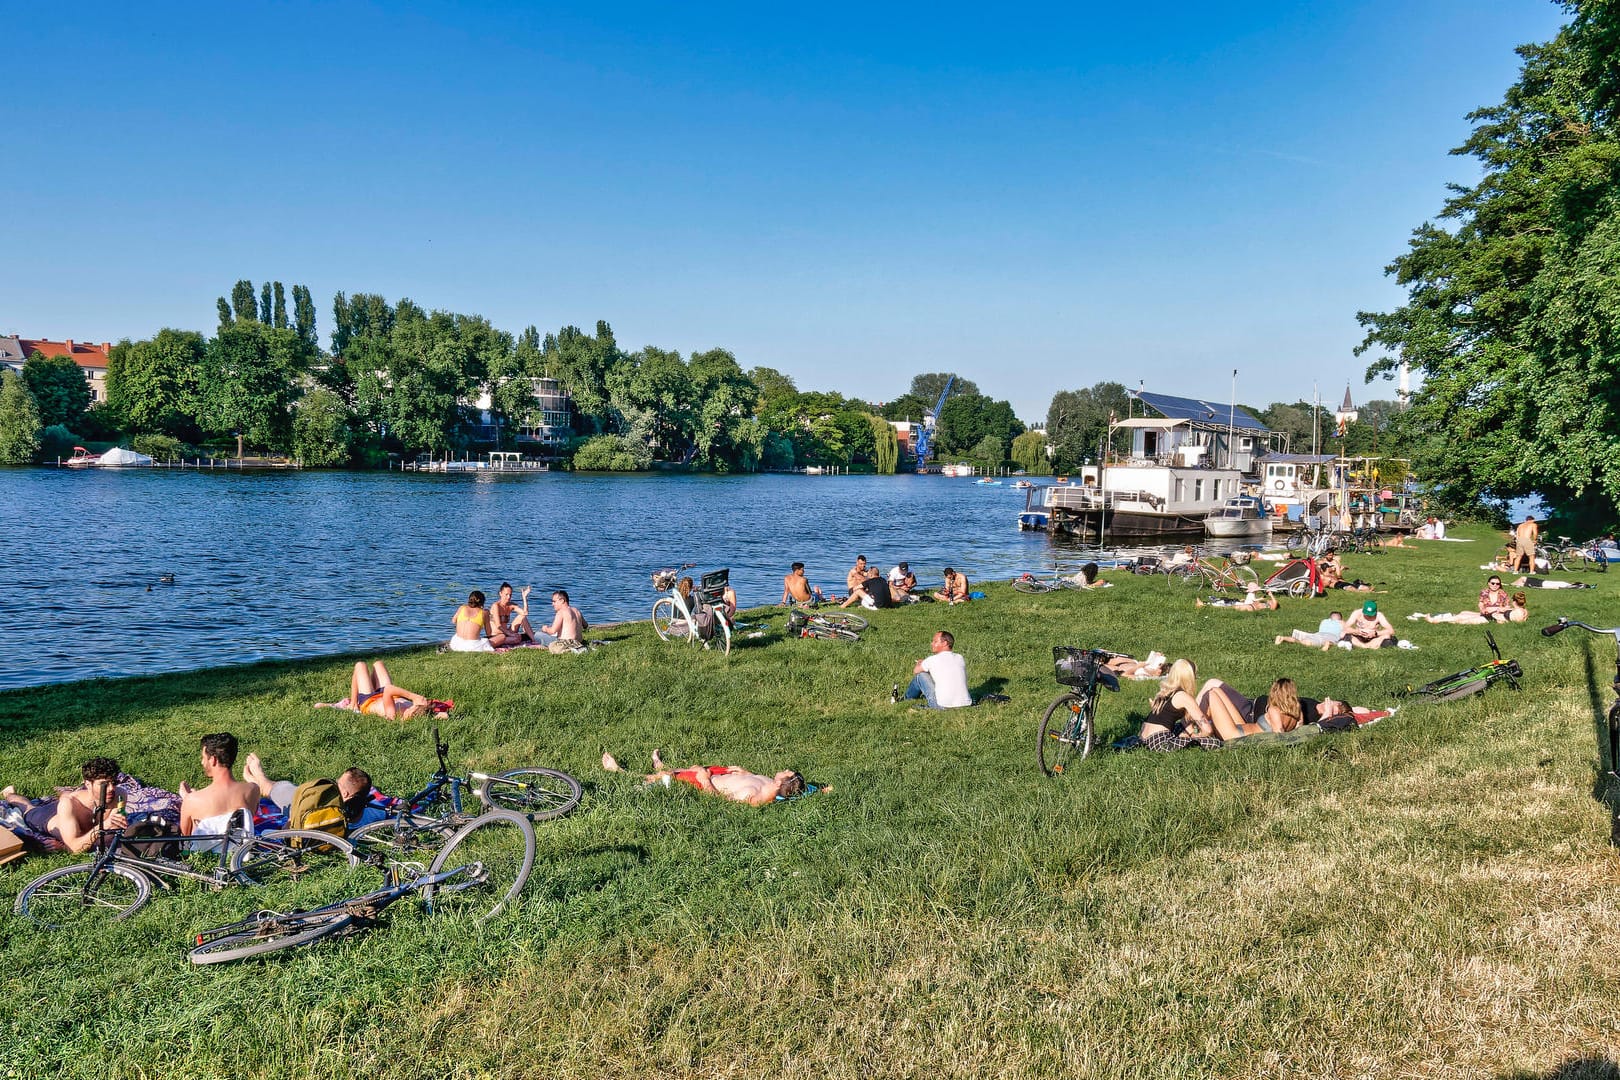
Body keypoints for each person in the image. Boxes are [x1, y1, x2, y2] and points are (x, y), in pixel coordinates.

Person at [2, 757, 128, 854]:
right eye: (104, 785)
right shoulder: (70, 803)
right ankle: (10, 794)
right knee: (28, 809)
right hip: (47, 818)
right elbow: (75, 848)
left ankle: (60, 795)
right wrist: (103, 826)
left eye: (114, 783)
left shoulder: (119, 795)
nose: (111, 789)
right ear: (88, 784)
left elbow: (111, 835)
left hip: (73, 816)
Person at [601, 750, 805, 806]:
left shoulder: (755, 796)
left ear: (783, 782)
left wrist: (705, 781)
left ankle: (618, 771)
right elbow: (807, 790)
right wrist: (744, 772)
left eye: (788, 772)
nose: (786, 768)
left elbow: (722, 800)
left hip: (706, 783)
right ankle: (662, 766)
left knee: (665, 777)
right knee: (693, 767)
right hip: (720, 774)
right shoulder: (771, 784)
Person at [242, 754, 390, 828]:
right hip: (305, 801)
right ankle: (260, 782)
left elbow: (289, 828)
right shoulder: (373, 811)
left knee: (273, 789)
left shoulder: (329, 814)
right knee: (284, 788)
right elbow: (389, 812)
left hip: (303, 806)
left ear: (344, 794)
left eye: (338, 782)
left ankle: (259, 780)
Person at [179, 733, 260, 838]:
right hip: (241, 851)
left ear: (213, 760)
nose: (202, 762)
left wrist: (188, 798)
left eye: (204, 758)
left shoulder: (192, 800)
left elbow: (186, 837)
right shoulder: (253, 790)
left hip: (207, 853)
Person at [1137, 660, 1223, 750]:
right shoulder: (1183, 696)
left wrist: (1192, 733)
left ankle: (1185, 737)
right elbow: (1208, 730)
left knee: (1180, 727)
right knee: (1214, 742)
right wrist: (1199, 736)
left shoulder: (1165, 692)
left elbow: (1184, 721)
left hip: (1143, 738)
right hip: (1159, 741)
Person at [898, 630, 972, 709]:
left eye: (935, 641)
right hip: (966, 703)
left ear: (945, 643)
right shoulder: (960, 657)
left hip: (942, 706)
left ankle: (906, 699)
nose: (932, 643)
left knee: (920, 675)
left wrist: (920, 663)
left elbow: (916, 670)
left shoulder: (932, 659)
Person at [351, 660, 432, 720]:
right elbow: (441, 714)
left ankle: (353, 704)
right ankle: (372, 685)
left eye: (411, 711)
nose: (410, 708)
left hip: (369, 700)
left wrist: (413, 696)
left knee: (360, 665)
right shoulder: (419, 711)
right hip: (390, 696)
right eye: (414, 707)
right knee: (378, 664)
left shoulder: (393, 714)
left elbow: (388, 689)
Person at [1409, 592, 1529, 624]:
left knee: (1461, 620)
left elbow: (1504, 621)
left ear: (1514, 600)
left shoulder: (1515, 613)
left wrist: (1500, 614)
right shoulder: (1524, 611)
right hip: (1490, 616)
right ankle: (1438, 618)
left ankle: (1435, 620)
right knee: (1463, 613)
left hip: (1490, 619)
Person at [1276, 611, 1345, 650]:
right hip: (1331, 636)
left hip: (1318, 634)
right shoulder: (1342, 622)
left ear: (1330, 617)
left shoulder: (1324, 621)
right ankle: (1328, 643)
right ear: (1340, 618)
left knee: (1301, 641)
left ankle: (1283, 638)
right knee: (1335, 642)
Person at [1195, 583, 1277, 610]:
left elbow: (1275, 604)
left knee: (1227, 606)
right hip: (1246, 605)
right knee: (1228, 602)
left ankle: (1204, 604)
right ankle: (1207, 602)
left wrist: (1271, 595)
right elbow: (1252, 600)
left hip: (1247, 606)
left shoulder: (1269, 606)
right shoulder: (1264, 603)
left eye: (1271, 601)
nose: (1270, 600)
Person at [1511, 575, 1593, 590]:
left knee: (1523, 579)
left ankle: (1510, 585)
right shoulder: (1566, 584)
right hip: (1543, 582)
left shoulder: (1565, 585)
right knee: (1522, 580)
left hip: (1542, 584)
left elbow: (1555, 587)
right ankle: (1512, 585)